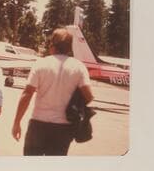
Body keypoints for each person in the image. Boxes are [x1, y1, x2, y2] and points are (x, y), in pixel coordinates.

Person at [12, 28, 94, 156]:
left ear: (52, 45)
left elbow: (27, 94)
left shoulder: (41, 64)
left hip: (38, 125)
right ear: (69, 47)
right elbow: (89, 97)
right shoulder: (79, 67)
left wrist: (16, 123)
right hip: (63, 129)